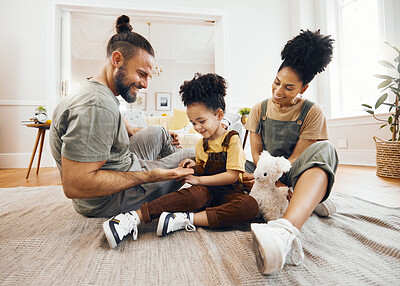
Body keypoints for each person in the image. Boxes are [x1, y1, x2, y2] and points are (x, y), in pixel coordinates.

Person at [49, 15, 194, 218]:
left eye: (148, 77)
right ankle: (180, 182)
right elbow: (76, 185)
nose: (145, 84)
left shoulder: (97, 91)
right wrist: (150, 176)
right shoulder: (96, 105)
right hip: (110, 197)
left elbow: (130, 131)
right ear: (117, 60)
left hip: (124, 167)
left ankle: (173, 175)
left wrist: (146, 134)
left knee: (160, 132)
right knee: (194, 153)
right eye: (142, 74)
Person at [103, 73, 259, 248]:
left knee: (249, 206)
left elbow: (231, 175)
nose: (197, 128)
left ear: (219, 114)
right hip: (207, 192)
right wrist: (196, 167)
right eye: (193, 123)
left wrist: (198, 178)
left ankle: (185, 219)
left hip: (230, 192)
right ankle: (133, 218)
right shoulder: (201, 144)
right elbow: (205, 168)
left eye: (201, 121)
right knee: (193, 194)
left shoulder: (232, 140)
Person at [244, 30, 339, 274]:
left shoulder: (312, 112)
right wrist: (267, 179)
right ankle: (312, 197)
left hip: (290, 169)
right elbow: (256, 154)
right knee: (237, 173)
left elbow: (297, 158)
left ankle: (284, 232)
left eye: (288, 87)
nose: (278, 91)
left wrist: (283, 182)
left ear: (303, 89)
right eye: (276, 82)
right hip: (263, 169)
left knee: (325, 150)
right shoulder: (259, 109)